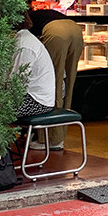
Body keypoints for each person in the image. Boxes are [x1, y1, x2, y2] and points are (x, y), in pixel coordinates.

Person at [28, 9, 84, 148]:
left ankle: (48, 139)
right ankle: (61, 133)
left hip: (55, 32)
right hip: (76, 30)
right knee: (69, 82)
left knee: (52, 83)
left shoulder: (27, 21)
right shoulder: (42, 13)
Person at [10, 23, 56, 121]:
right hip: (30, 95)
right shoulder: (22, 38)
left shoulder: (24, 45)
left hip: (37, 101)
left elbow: (16, 83)